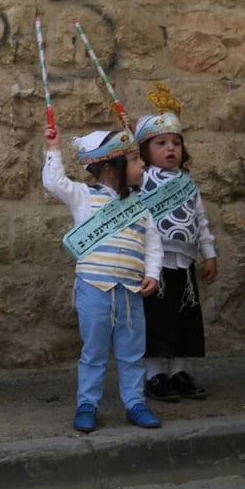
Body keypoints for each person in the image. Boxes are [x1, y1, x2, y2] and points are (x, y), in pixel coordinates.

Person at [42, 122, 163, 432]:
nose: (142, 165)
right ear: (111, 167)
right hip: (93, 289)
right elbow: (54, 182)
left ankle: (135, 402)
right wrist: (54, 149)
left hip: (130, 291)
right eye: (135, 160)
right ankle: (87, 404)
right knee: (94, 351)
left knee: (132, 352)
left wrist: (152, 273)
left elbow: (152, 243)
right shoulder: (83, 197)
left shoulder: (140, 206)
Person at [133, 84, 217, 402]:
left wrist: (208, 254)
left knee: (184, 319)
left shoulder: (188, 183)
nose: (171, 149)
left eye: (176, 142)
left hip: (184, 264)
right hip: (154, 265)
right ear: (144, 150)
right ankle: (154, 375)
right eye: (161, 143)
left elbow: (200, 221)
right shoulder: (143, 180)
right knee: (156, 320)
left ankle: (178, 371)